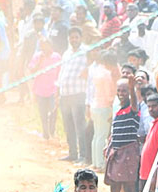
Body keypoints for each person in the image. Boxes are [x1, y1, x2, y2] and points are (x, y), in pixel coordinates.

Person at [104, 75, 140, 192]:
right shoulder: (118, 110)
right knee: (114, 188)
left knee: (129, 189)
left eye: (124, 90)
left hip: (128, 153)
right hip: (116, 152)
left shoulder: (133, 109)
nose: (121, 93)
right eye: (119, 90)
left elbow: (134, 103)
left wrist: (132, 89)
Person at [57, 26, 88, 162]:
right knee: (68, 126)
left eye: (76, 37)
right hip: (65, 94)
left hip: (78, 94)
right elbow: (62, 72)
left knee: (80, 126)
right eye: (72, 37)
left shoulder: (86, 51)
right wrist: (58, 90)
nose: (73, 39)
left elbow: (90, 69)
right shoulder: (66, 53)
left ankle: (83, 155)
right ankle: (72, 153)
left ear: (81, 38)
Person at [86, 51, 115, 169]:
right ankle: (101, 164)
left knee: (96, 135)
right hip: (104, 107)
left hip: (95, 105)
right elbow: (109, 94)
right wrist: (112, 103)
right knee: (102, 136)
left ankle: (95, 162)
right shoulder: (107, 74)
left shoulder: (96, 72)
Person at [29, 37, 60, 140]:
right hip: (40, 89)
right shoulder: (37, 56)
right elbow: (32, 71)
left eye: (45, 45)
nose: (44, 48)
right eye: (42, 45)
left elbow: (60, 72)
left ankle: (52, 130)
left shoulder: (57, 57)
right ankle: (45, 132)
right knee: (43, 112)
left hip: (53, 89)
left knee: (53, 111)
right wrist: (40, 62)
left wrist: (59, 88)